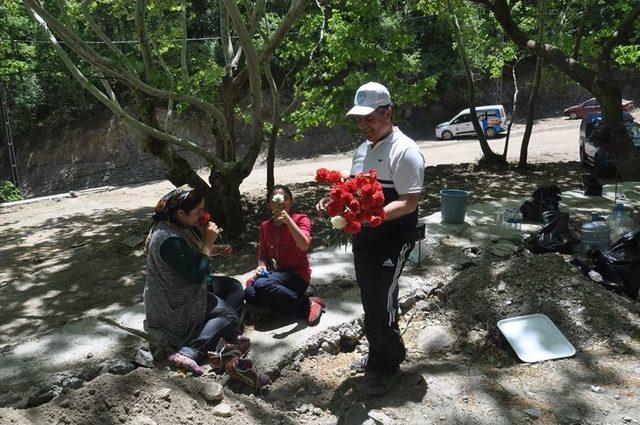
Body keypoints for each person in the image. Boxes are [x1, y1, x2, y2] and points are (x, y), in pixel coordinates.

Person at [316, 82, 425, 396]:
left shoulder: (405, 150)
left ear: (388, 112)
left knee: (383, 299)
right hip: (365, 238)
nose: (363, 125)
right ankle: (379, 353)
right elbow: (353, 194)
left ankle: (390, 359)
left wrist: (370, 217)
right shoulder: (362, 150)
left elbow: (409, 201)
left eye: (370, 118)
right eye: (359, 119)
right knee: (369, 295)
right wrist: (333, 206)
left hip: (393, 237)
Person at [143, 186, 269, 388]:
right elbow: (196, 274)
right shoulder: (168, 239)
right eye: (198, 212)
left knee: (234, 288)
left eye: (203, 209)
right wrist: (209, 243)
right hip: (174, 303)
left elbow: (190, 256)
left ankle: (221, 333)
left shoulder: (178, 225)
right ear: (180, 213)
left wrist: (215, 249)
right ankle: (188, 351)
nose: (202, 215)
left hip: (188, 289)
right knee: (229, 316)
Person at [244, 185, 325, 325]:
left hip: (297, 276)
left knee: (262, 285)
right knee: (249, 293)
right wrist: (261, 267)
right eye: (275, 200)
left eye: (285, 199)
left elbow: (304, 245)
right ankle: (293, 302)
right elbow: (263, 255)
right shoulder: (265, 226)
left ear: (291, 201)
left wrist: (288, 221)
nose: (280, 202)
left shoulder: (301, 219)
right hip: (277, 276)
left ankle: (307, 306)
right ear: (269, 204)